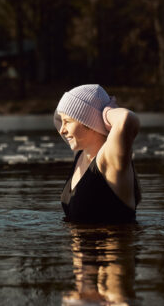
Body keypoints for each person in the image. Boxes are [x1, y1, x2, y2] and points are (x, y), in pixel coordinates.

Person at [53, 84, 141, 224]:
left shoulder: (109, 160)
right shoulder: (82, 155)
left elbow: (126, 119)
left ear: (88, 121)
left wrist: (104, 113)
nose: (61, 130)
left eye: (67, 122)